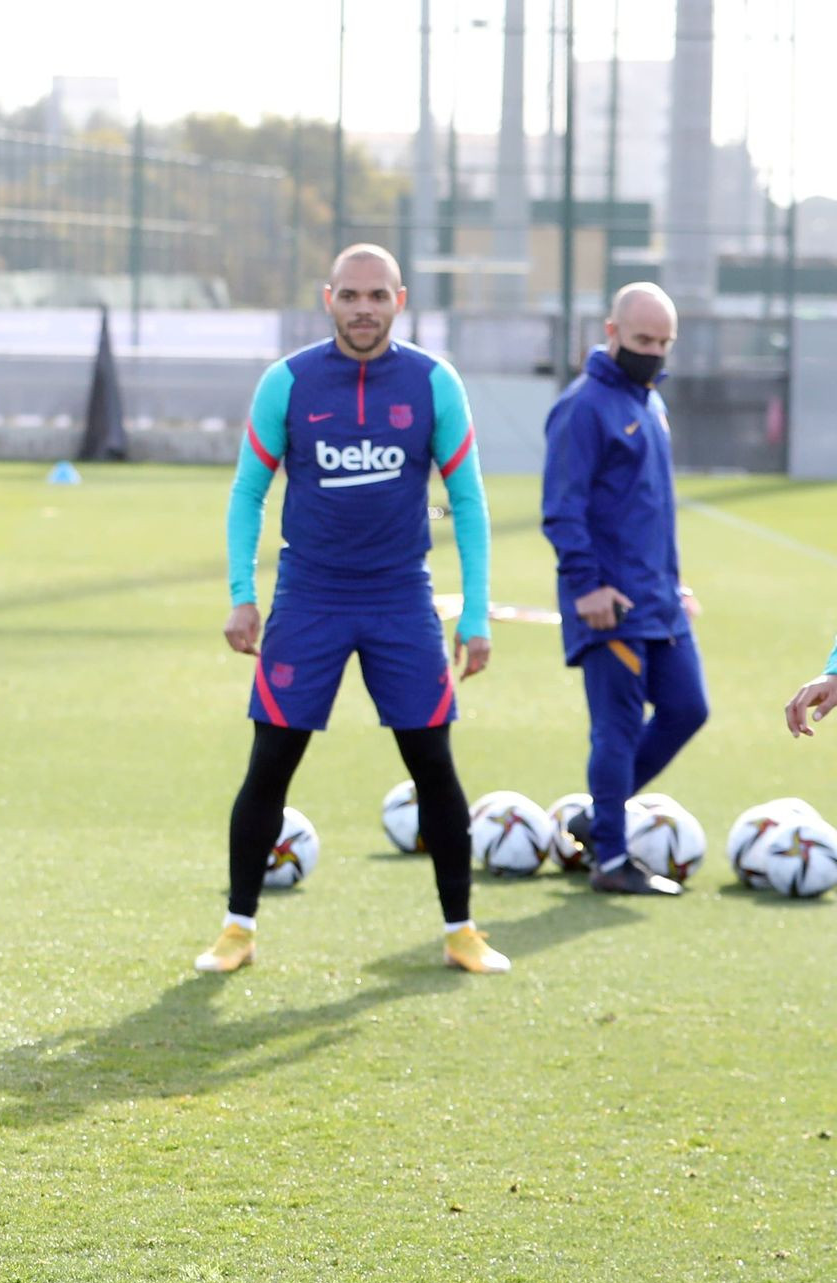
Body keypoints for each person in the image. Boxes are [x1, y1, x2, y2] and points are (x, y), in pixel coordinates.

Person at [196, 243, 508, 976]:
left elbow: (468, 502)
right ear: (328, 298)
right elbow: (248, 493)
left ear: (400, 299)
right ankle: (237, 929)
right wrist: (244, 596)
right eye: (350, 296)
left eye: (378, 296)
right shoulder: (290, 382)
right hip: (309, 599)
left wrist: (478, 615)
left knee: (433, 765)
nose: (364, 308)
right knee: (270, 765)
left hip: (401, 598)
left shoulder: (434, 383)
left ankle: (462, 930)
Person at [541, 282, 707, 895]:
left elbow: (645, 511)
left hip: (659, 601)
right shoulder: (584, 407)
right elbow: (563, 508)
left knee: (689, 708)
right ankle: (610, 860)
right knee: (614, 727)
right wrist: (586, 587)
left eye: (664, 343)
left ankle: (595, 818)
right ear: (611, 333)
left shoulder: (648, 402)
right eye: (643, 340)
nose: (654, 352)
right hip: (610, 605)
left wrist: (673, 583)